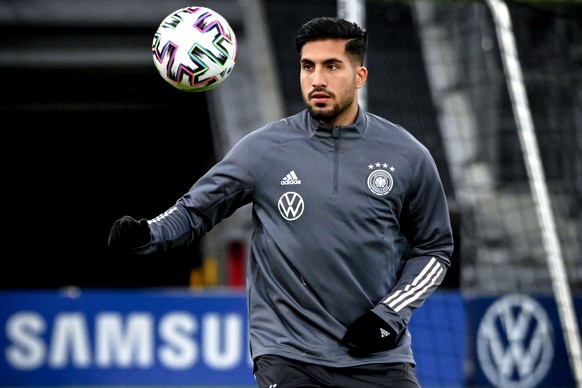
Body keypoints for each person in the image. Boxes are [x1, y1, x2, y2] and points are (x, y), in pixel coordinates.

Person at [109, 16, 453, 388]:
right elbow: (196, 209)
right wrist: (148, 234)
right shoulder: (264, 149)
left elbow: (435, 249)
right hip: (289, 355)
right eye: (308, 67)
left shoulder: (408, 154)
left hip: (379, 357)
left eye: (331, 66)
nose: (317, 80)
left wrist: (389, 315)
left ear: (360, 76)